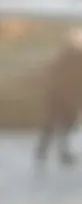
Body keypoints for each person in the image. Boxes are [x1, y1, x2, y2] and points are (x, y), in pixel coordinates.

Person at [35, 34, 82, 170]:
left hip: (60, 98)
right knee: (59, 125)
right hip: (63, 98)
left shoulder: (61, 60)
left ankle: (47, 151)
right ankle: (52, 152)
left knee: (56, 125)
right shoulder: (72, 60)